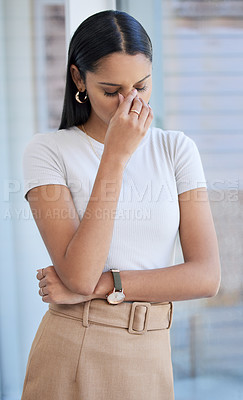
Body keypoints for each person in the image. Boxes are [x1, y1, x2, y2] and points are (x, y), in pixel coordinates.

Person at [21, 9, 221, 400]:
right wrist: (115, 155)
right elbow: (77, 274)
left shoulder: (176, 148)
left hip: (152, 348)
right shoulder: (47, 151)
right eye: (111, 91)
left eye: (142, 87)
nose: (130, 103)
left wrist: (103, 285)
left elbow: (205, 276)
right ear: (79, 78)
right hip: (75, 346)